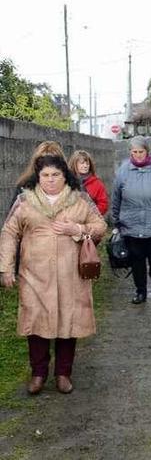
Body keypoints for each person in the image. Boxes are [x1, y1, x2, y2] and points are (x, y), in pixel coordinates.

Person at [0, 155, 107, 395]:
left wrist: (77, 229)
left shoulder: (79, 199)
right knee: (35, 324)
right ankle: (38, 374)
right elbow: (9, 233)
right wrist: (5, 267)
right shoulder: (25, 201)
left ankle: (63, 374)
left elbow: (100, 226)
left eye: (55, 175)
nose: (50, 180)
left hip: (71, 276)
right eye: (45, 175)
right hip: (34, 276)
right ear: (38, 177)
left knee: (68, 324)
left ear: (64, 176)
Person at [111, 137, 151, 304]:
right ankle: (140, 291)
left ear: (147, 151)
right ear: (130, 153)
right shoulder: (123, 171)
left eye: (141, 152)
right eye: (134, 152)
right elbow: (116, 197)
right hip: (131, 223)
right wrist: (116, 219)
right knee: (137, 259)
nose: (138, 155)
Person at [68, 150, 108, 215]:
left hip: (90, 220)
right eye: (82, 163)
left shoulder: (97, 183)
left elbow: (103, 204)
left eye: (87, 163)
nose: (85, 166)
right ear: (74, 164)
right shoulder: (66, 181)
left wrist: (89, 214)